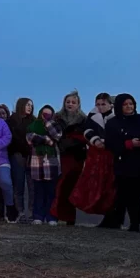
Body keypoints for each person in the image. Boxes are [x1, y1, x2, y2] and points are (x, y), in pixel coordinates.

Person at [104, 94, 140, 232]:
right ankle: (134, 224)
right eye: (125, 104)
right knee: (130, 196)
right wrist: (128, 144)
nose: (129, 106)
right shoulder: (113, 123)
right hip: (125, 164)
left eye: (131, 103)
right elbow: (110, 144)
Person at [70, 93, 117, 221]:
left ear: (110, 105)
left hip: (112, 154)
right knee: (95, 183)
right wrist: (95, 140)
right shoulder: (92, 117)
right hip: (96, 155)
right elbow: (87, 131)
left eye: (103, 104)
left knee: (111, 185)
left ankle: (112, 216)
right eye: (98, 104)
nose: (100, 107)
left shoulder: (116, 117)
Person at [50, 91, 88, 226]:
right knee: (63, 185)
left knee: (72, 186)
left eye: (73, 102)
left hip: (77, 156)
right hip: (62, 155)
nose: (70, 104)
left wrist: (72, 141)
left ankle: (71, 217)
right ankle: (62, 216)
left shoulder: (84, 120)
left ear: (78, 104)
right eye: (68, 102)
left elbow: (85, 138)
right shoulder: (58, 118)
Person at [27, 105, 63, 225]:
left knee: (51, 192)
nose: (45, 116)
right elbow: (30, 137)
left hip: (51, 163)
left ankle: (51, 216)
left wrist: (48, 122)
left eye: (48, 114)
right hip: (37, 162)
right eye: (44, 114)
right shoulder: (33, 125)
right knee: (39, 191)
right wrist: (48, 140)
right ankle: (38, 216)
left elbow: (57, 135)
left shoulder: (54, 125)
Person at [7, 98, 35, 222]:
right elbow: (11, 139)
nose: (29, 107)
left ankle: (32, 213)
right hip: (17, 155)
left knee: (32, 186)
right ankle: (20, 213)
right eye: (27, 104)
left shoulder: (34, 121)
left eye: (31, 105)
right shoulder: (12, 120)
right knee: (18, 186)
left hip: (32, 156)